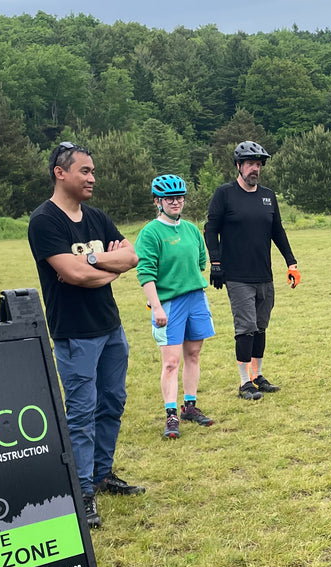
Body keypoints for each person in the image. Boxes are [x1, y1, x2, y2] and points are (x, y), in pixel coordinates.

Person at [28, 141, 146, 529]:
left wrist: (94, 261)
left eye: (93, 171)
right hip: (74, 332)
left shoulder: (96, 217)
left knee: (112, 401)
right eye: (85, 171)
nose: (92, 178)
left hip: (111, 327)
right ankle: (82, 491)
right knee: (81, 414)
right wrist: (103, 268)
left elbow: (131, 256)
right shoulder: (45, 221)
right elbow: (72, 275)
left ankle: (102, 473)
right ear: (60, 173)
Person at [204, 141, 299, 400]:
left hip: (264, 275)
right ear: (238, 165)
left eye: (258, 164)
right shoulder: (224, 194)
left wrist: (291, 261)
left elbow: (277, 230)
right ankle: (244, 382)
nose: (254, 169)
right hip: (237, 275)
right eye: (249, 164)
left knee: (260, 327)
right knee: (245, 327)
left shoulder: (267, 196)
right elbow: (210, 229)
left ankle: (258, 375)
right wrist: (215, 263)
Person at [134, 175, 216, 439]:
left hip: (196, 298)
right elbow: (145, 272)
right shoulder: (150, 232)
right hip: (169, 303)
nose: (175, 202)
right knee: (171, 362)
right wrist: (156, 306)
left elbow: (201, 260)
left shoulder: (192, 229)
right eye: (169, 198)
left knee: (193, 354)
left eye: (179, 197)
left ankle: (189, 406)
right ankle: (170, 415)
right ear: (158, 201)